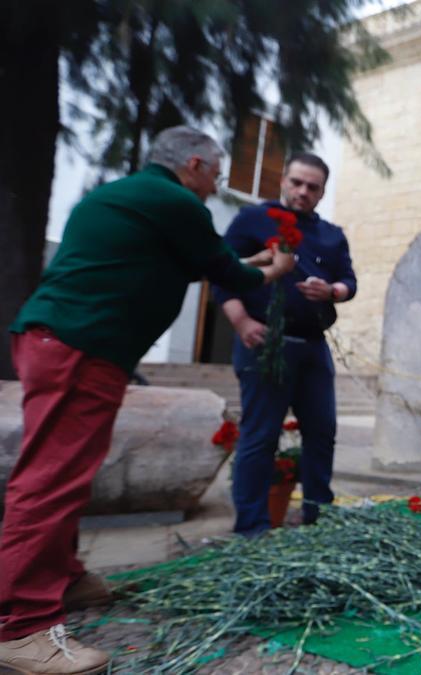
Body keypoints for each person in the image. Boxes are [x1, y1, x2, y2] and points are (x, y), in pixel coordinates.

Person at [0, 126, 295, 672]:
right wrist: (273, 269)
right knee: (48, 479)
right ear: (195, 165)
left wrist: (246, 266)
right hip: (80, 345)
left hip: (67, 341)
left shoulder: (123, 196)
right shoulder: (173, 201)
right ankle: (19, 626)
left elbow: (200, 264)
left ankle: (62, 576)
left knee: (67, 471)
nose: (215, 186)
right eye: (215, 174)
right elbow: (225, 270)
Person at [214, 152, 356, 536]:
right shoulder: (253, 220)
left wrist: (332, 290)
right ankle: (252, 528)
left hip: (313, 345)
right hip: (265, 343)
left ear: (323, 191)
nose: (303, 192)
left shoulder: (331, 234)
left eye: (313, 187)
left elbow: (349, 282)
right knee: (260, 437)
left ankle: (317, 519)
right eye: (297, 183)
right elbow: (222, 273)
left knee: (322, 432)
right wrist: (240, 321)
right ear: (283, 181)